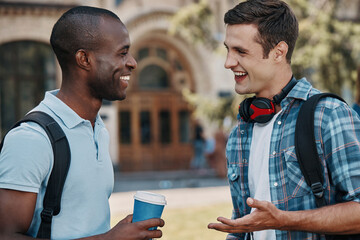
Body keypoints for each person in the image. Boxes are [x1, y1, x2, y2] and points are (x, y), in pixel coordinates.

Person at [0, 6, 164, 240]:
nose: (133, 62)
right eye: (122, 53)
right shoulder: (31, 139)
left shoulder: (98, 129)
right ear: (84, 59)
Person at [208, 0, 360, 239]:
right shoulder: (241, 132)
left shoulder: (329, 114)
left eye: (241, 51)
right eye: (228, 49)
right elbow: (245, 224)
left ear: (279, 52)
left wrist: (283, 220)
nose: (228, 62)